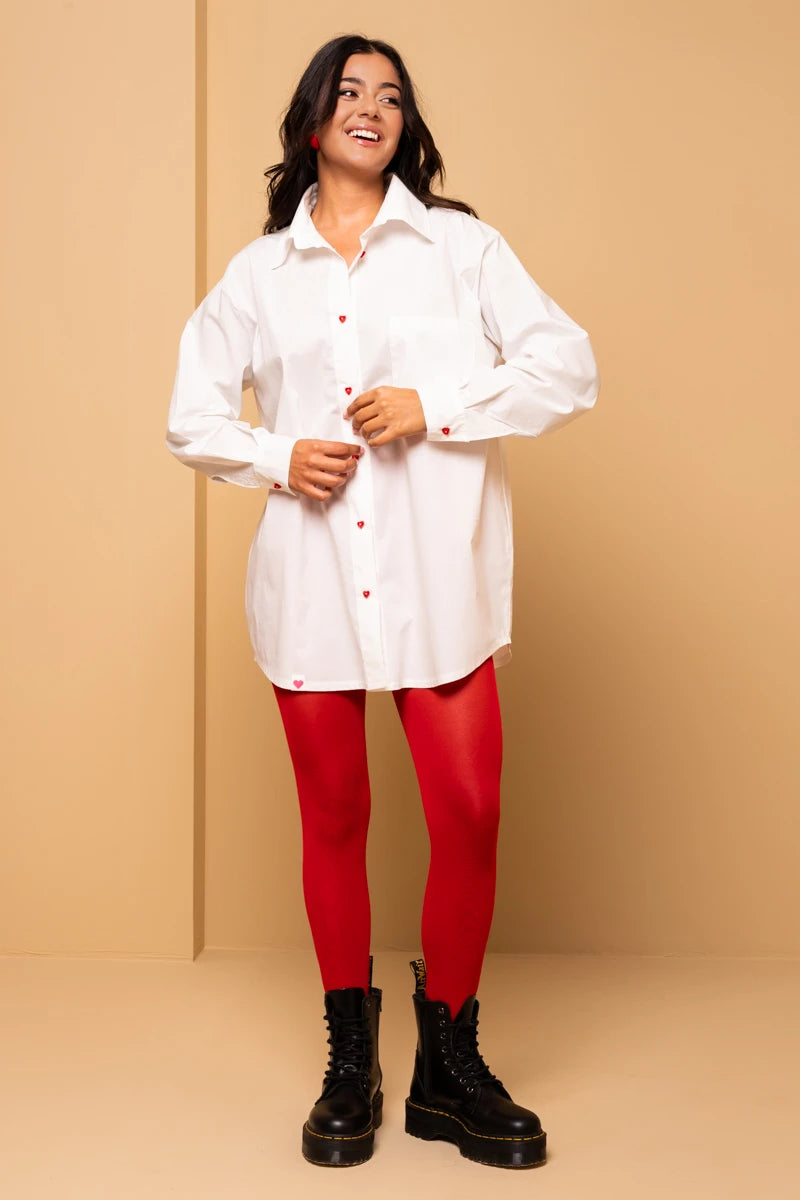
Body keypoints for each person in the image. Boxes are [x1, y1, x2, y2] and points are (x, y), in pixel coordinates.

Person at [166, 32, 599, 1170]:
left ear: (404, 125)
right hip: (310, 584)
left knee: (468, 814)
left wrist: (435, 406)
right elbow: (190, 415)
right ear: (314, 120)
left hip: (436, 581)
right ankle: (349, 1063)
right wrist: (275, 457)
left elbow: (566, 365)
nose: (372, 107)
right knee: (334, 820)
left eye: (392, 95)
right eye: (350, 91)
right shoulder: (259, 275)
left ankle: (449, 1068)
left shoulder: (462, 246)